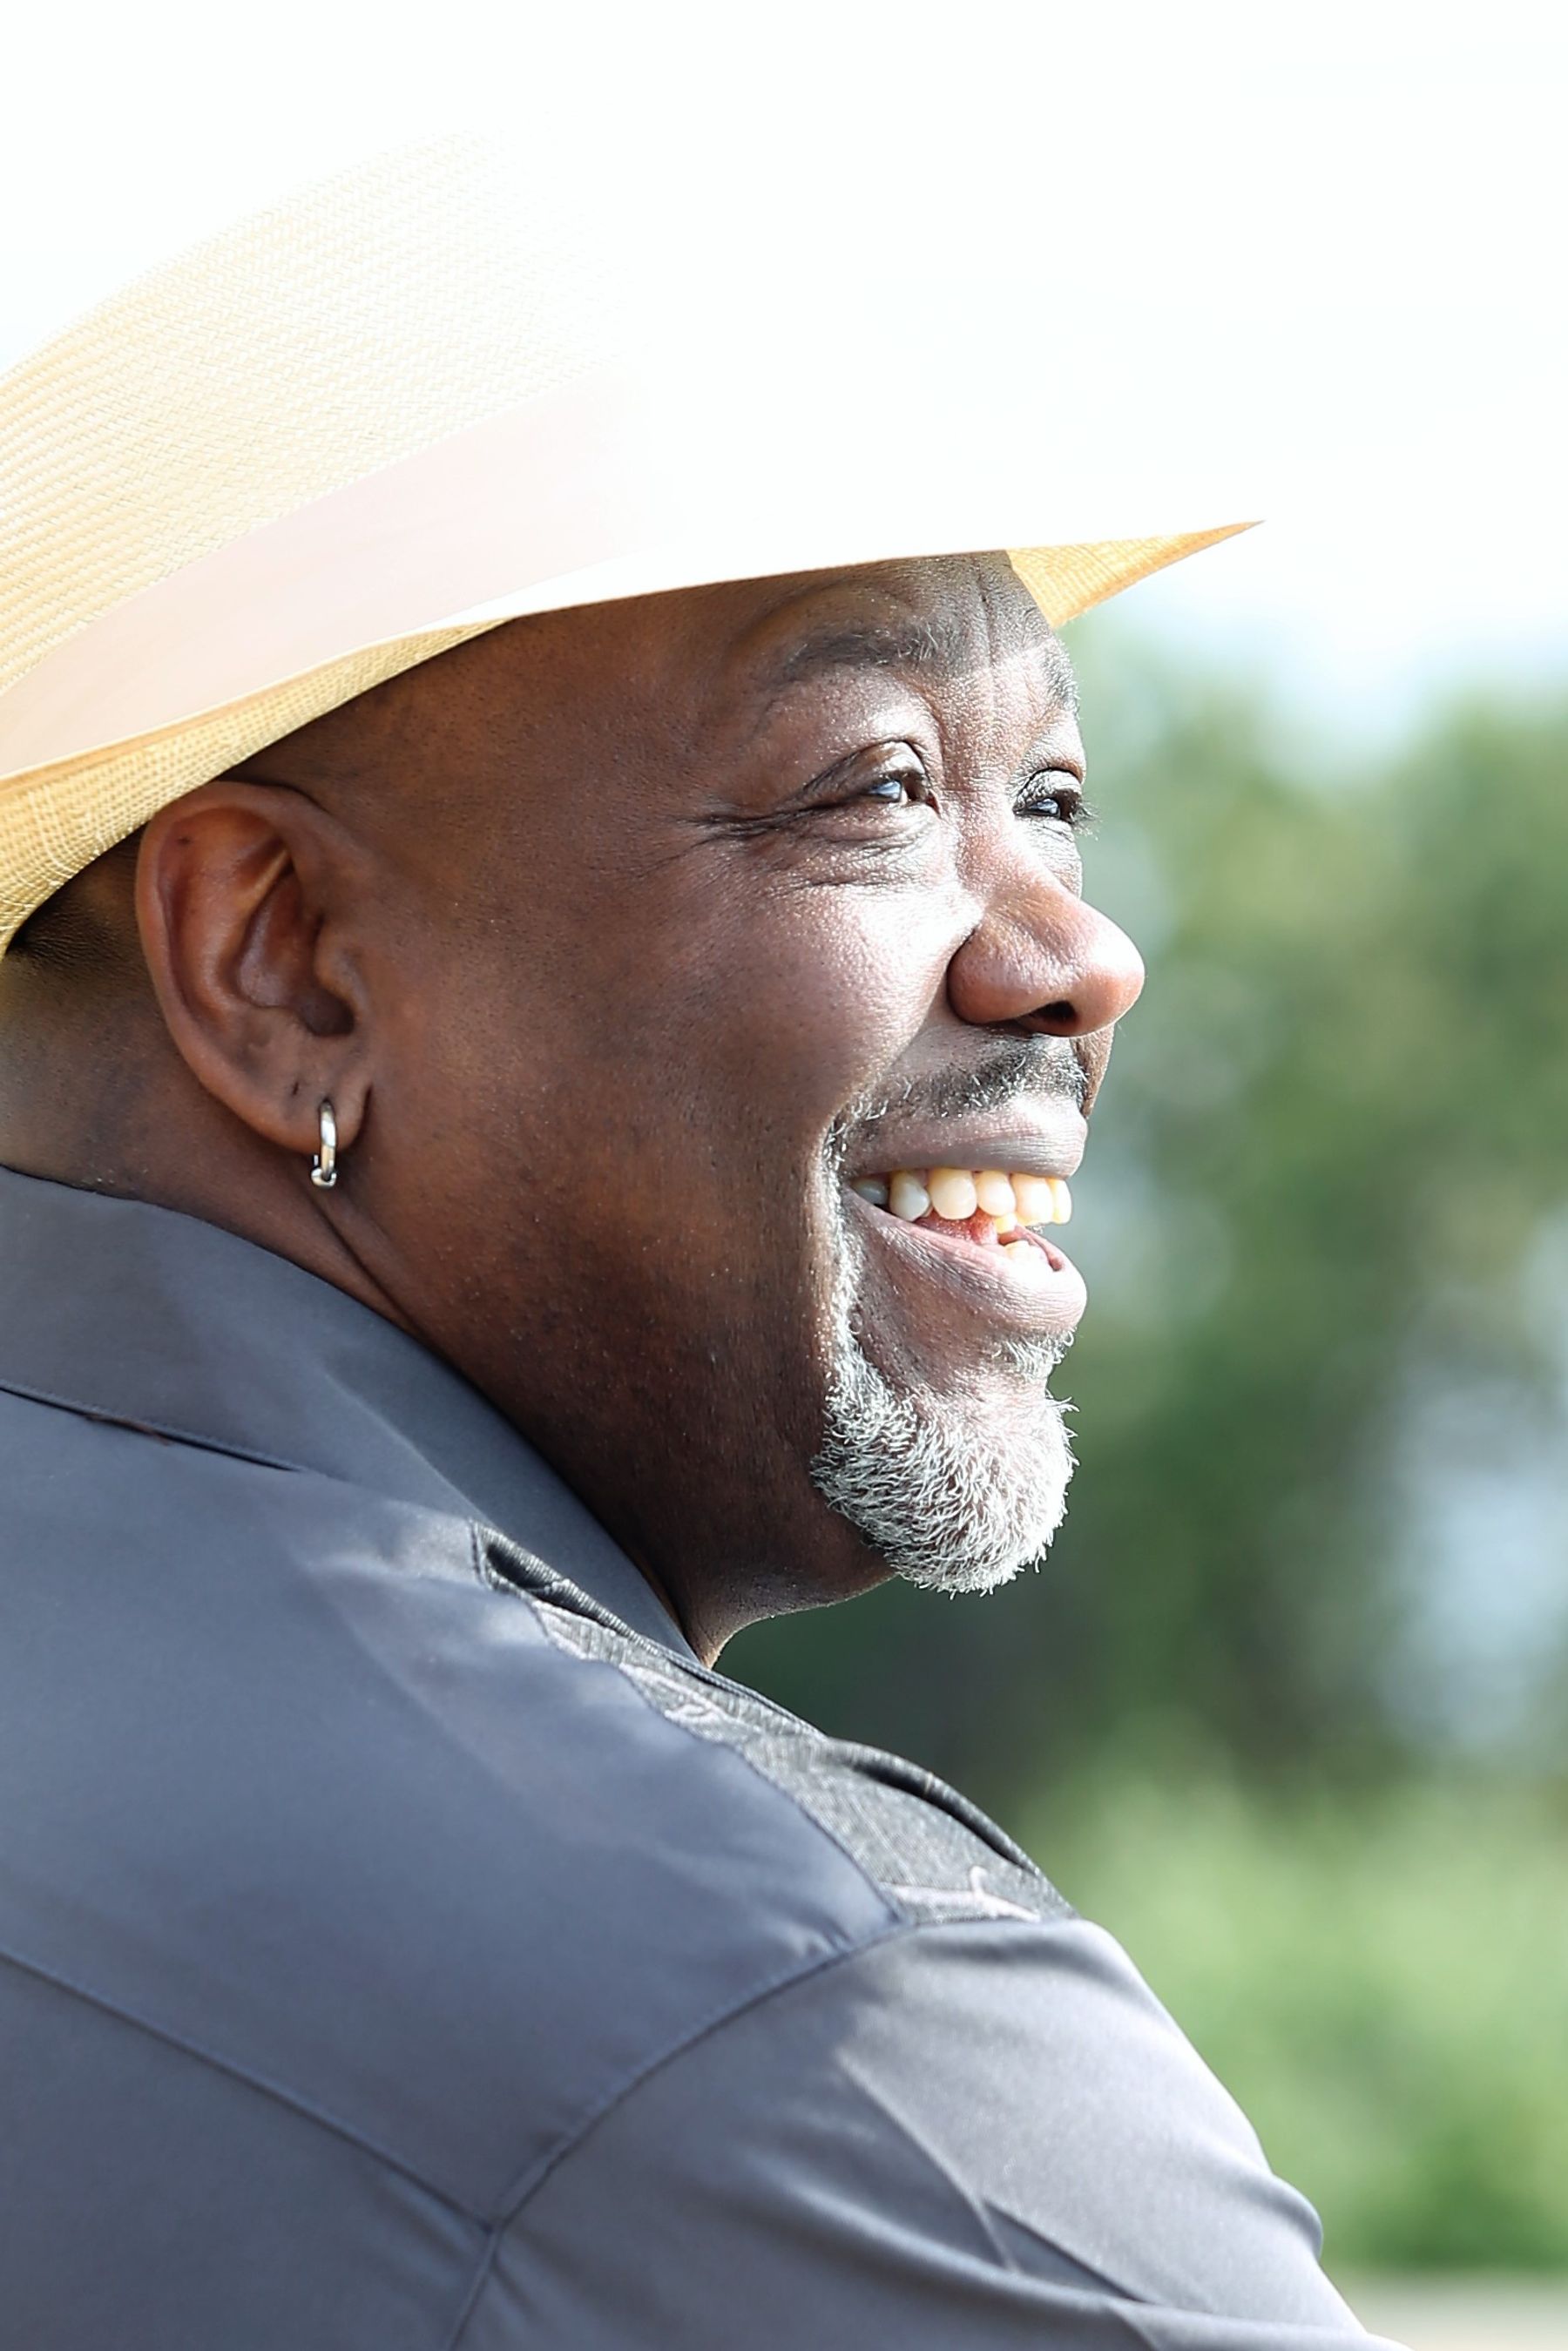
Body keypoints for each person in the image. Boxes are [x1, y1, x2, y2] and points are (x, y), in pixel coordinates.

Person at [0, 144, 1396, 2347]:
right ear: (284, 962)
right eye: (876, 787)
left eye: (1050, 798)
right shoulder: (807, 2035)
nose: (1079, 957)